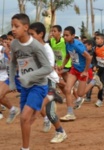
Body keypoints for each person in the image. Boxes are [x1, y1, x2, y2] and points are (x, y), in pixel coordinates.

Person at [9, 13, 52, 150]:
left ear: (26, 27)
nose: (13, 29)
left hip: (38, 85)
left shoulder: (36, 46)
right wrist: (12, 82)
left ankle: (24, 149)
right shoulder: (14, 44)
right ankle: (47, 99)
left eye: (16, 26)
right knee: (26, 119)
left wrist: (29, 76)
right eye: (12, 26)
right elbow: (12, 64)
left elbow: (47, 68)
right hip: (25, 86)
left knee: (25, 117)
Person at [28, 22, 67, 143]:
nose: (30, 36)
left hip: (49, 81)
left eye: (32, 34)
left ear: (41, 34)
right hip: (39, 81)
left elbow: (49, 68)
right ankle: (54, 98)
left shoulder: (46, 49)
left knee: (50, 112)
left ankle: (60, 132)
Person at [59, 26, 101, 121]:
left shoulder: (78, 45)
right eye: (64, 35)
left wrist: (85, 71)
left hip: (82, 71)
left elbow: (89, 58)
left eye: (67, 35)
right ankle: (70, 113)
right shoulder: (67, 44)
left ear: (73, 36)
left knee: (80, 94)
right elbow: (67, 56)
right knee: (67, 89)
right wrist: (63, 65)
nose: (64, 37)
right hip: (74, 69)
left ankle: (94, 81)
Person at [0, 31, 20, 123]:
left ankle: (47, 117)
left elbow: (18, 67)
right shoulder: (7, 50)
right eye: (7, 39)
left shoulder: (20, 50)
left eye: (10, 39)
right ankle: (13, 110)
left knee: (36, 104)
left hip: (23, 80)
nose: (7, 41)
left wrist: (8, 55)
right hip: (12, 79)